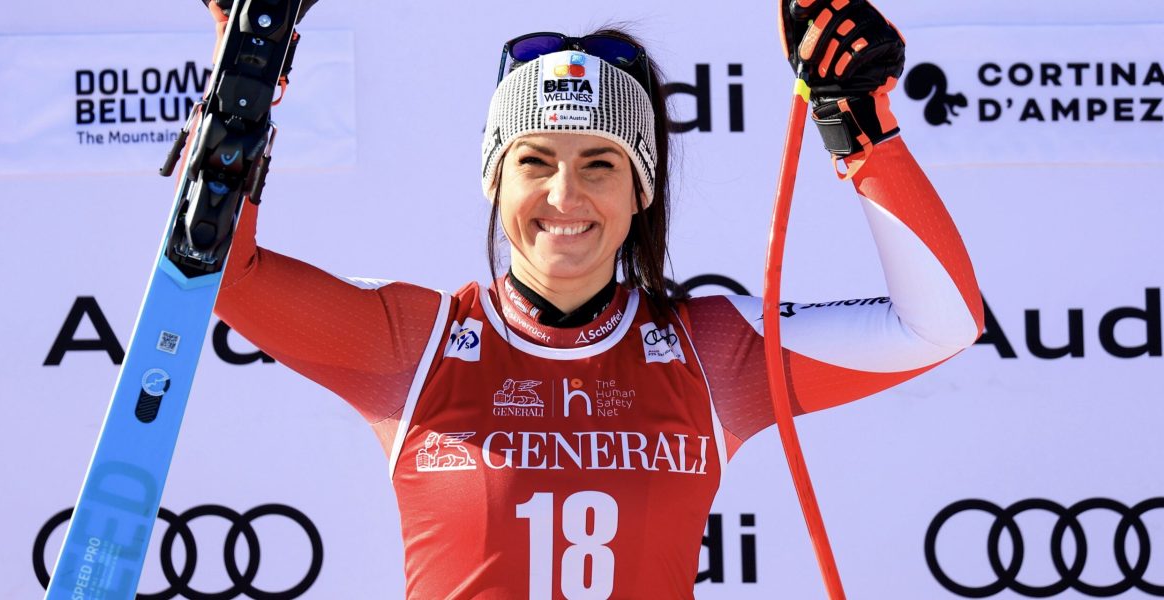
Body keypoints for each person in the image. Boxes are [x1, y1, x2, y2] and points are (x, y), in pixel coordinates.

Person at [208, 0, 983, 597]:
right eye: (535, 159)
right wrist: (245, 66)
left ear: (642, 188)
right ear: (494, 179)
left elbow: (939, 324)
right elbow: (219, 271)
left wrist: (859, 123)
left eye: (600, 164)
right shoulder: (417, 342)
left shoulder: (711, 353)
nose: (563, 192)